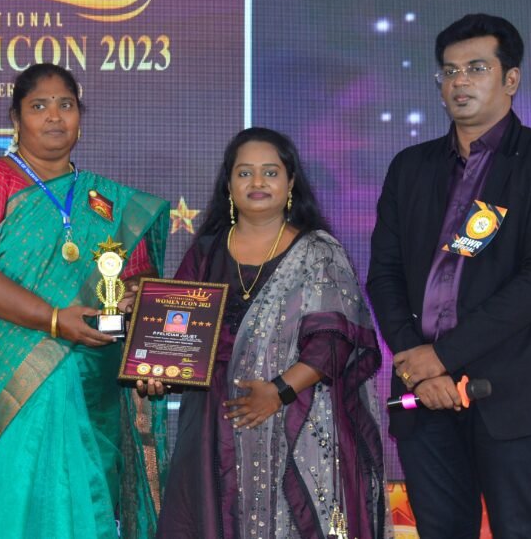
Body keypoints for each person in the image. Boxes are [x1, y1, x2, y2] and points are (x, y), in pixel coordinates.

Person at [367, 14, 531, 538]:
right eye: (449, 71)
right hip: (424, 399)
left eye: (476, 68)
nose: (459, 81)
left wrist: (442, 356)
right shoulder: (411, 167)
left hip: (512, 395)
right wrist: (420, 364)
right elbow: (384, 275)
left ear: (511, 79)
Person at [0, 63, 170, 538]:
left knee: (82, 508)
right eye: (38, 106)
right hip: (6, 384)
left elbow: (140, 283)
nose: (54, 116)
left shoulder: (107, 200)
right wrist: (52, 319)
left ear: (80, 116)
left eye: (65, 105)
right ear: (15, 118)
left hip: (91, 388)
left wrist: (139, 313)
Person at [158, 128, 389, 539]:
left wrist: (278, 392)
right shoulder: (206, 251)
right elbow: (178, 331)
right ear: (229, 184)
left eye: (270, 172)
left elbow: (333, 343)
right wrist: (156, 367)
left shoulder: (318, 252)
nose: (258, 182)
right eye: (244, 173)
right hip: (212, 424)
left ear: (290, 182)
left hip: (294, 415)